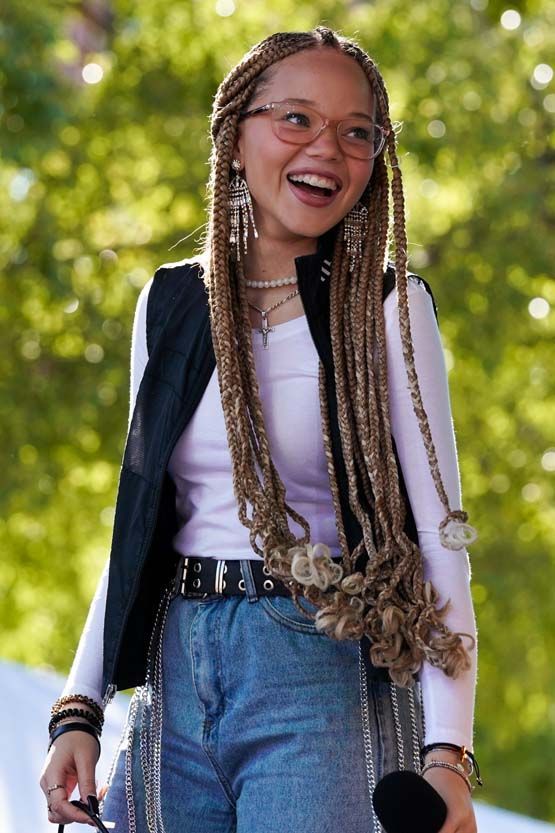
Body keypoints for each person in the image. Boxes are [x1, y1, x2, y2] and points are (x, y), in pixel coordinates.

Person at [40, 25, 481, 833]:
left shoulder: (385, 310)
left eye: (357, 132)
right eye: (296, 120)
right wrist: (80, 709)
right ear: (234, 137)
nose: (329, 148)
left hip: (320, 667)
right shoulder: (171, 302)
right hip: (176, 665)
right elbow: (139, 527)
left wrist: (447, 753)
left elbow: (439, 536)